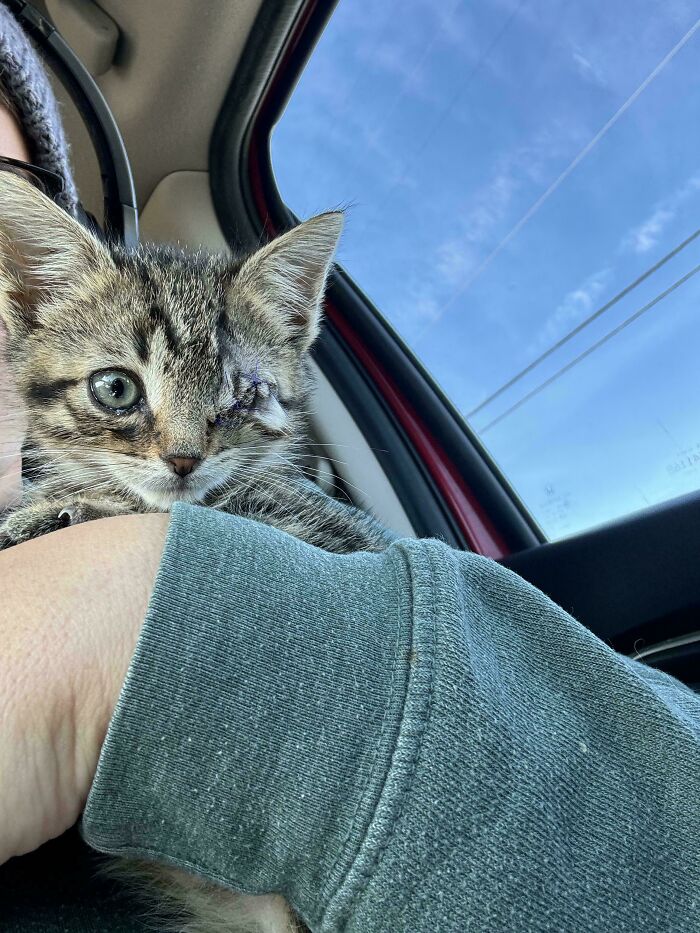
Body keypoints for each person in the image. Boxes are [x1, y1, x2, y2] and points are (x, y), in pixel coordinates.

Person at [0, 8, 698, 932]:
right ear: (34, 301)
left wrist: (127, 613)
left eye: (236, 402)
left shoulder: (304, 528)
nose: (180, 449)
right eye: (121, 390)